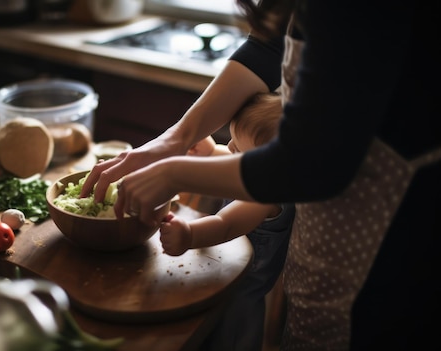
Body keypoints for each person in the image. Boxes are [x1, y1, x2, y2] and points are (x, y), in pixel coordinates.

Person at [81, 0, 441, 349]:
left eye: (240, 147)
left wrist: (179, 190)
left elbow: (241, 211)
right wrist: (179, 141)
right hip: (313, 252)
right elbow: (268, 48)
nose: (231, 150)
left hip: (374, 251)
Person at [160, 92, 295, 351]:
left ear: (269, 166)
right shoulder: (266, 175)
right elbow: (238, 167)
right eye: (231, 140)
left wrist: (188, 234)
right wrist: (211, 152)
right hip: (222, 279)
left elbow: (225, 225)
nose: (230, 148)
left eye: (239, 149)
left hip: (238, 300)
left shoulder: (266, 197)